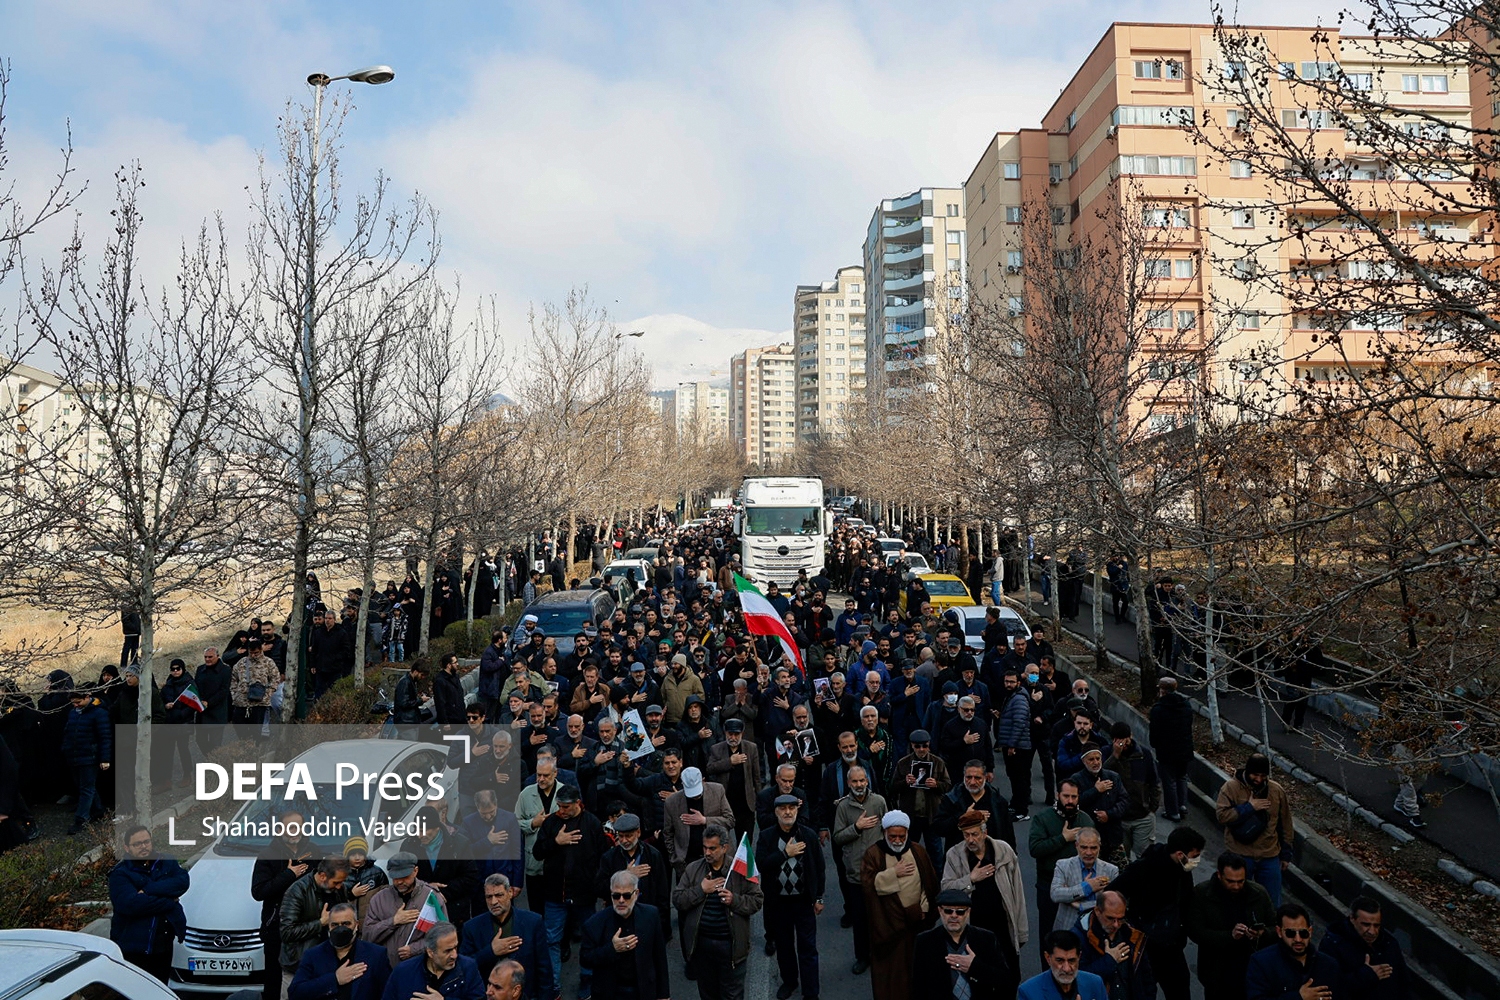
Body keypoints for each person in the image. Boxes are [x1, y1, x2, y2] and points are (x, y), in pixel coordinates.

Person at [1109, 826, 1204, 1000]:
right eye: (1194, 856)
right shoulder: (1144, 868)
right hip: (1144, 945)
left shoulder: (1183, 871)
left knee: (1180, 989)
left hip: (1171, 946)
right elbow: (1113, 893)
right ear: (1180, 854)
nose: (1196, 860)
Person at [673, 822, 765, 1000]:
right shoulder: (693, 869)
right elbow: (678, 899)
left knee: (732, 994)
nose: (707, 852)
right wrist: (701, 890)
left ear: (725, 848)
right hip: (702, 947)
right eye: (705, 847)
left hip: (730, 947)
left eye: (712, 848)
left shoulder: (739, 869)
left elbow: (757, 900)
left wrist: (734, 900)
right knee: (708, 994)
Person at [532, 784, 606, 996]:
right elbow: (537, 852)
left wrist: (600, 888)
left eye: (565, 807)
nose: (561, 811)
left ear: (577, 803)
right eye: (559, 806)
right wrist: (556, 842)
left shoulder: (592, 823)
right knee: (551, 940)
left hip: (584, 895)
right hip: (555, 894)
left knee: (589, 939)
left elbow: (603, 857)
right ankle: (553, 985)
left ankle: (587, 981)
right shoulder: (551, 823)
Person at [859, 810, 939, 1000]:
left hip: (917, 922)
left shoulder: (918, 851)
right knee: (892, 977)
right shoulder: (873, 854)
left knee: (918, 972)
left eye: (901, 836)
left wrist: (924, 908)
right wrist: (893, 873)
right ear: (885, 833)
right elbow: (868, 885)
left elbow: (929, 884)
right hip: (888, 927)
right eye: (892, 836)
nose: (897, 841)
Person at [939, 808, 1027, 980]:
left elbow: (1018, 893)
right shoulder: (954, 855)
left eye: (974, 834)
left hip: (1002, 929)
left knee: (1009, 978)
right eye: (966, 835)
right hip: (973, 930)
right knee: (977, 979)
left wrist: (1021, 932)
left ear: (984, 832)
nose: (970, 840)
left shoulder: (1004, 851)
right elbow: (946, 890)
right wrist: (970, 879)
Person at [755, 793, 824, 1000]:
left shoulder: (808, 835)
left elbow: (819, 868)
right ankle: (790, 981)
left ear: (797, 810)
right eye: (783, 809)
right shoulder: (766, 836)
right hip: (779, 903)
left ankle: (811, 992)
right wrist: (785, 853)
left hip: (803, 901)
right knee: (784, 946)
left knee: (808, 948)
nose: (787, 812)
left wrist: (819, 898)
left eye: (792, 808)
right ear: (776, 812)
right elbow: (761, 865)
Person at [1187, 853, 1276, 1000]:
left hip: (1250, 971)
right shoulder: (1202, 894)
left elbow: (1276, 928)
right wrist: (1230, 936)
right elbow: (1195, 932)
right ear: (1219, 875)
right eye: (1230, 881)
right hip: (1217, 972)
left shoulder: (1258, 894)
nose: (1236, 886)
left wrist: (1262, 933)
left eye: (1241, 881)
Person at [108, 825, 189, 982]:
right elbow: (131, 904)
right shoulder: (120, 874)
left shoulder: (166, 862)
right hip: (134, 947)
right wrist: (169, 901)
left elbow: (182, 882)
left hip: (163, 945)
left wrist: (148, 890)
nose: (143, 846)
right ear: (127, 848)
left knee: (161, 987)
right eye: (137, 844)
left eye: (146, 842)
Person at [1215, 754, 1295, 905]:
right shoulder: (1231, 788)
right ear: (1247, 771)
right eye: (1255, 775)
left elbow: (1285, 823)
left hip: (1269, 855)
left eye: (1263, 776)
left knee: (1272, 903)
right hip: (1240, 854)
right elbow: (1222, 816)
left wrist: (1286, 854)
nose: (1259, 779)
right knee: (1236, 901)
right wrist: (1249, 807)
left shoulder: (1276, 790)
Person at [1029, 778, 1096, 953]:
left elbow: (1094, 852)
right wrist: (1063, 838)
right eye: (1066, 796)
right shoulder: (1043, 818)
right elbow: (1035, 849)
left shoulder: (1086, 820)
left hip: (1080, 888)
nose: (1070, 801)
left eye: (1074, 797)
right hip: (1048, 886)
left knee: (1079, 938)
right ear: (1058, 795)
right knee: (1049, 936)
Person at [581, 871, 671, 1000]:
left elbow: (659, 957)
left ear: (636, 894)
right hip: (610, 992)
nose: (621, 900)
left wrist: (663, 995)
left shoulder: (650, 915)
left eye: (627, 896)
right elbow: (585, 959)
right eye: (616, 896)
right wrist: (612, 949)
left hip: (644, 990)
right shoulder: (595, 923)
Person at [831, 764, 886, 975]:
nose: (859, 784)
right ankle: (862, 957)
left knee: (880, 917)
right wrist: (856, 828)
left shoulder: (879, 802)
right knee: (860, 919)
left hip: (878, 872)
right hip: (855, 872)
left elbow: (888, 830)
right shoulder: (843, 807)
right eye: (854, 781)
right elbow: (838, 837)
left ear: (867, 780)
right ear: (848, 783)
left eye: (862, 780)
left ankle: (880, 955)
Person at [911, 888, 1012, 1000]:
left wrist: (974, 967)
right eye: (948, 911)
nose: (954, 916)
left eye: (960, 911)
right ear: (940, 911)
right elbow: (918, 986)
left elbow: (1005, 980)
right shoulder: (925, 941)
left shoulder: (986, 939)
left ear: (968, 912)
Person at [458, 874, 549, 996]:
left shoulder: (533, 923)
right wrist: (490, 951)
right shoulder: (472, 928)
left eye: (499, 895)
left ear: (510, 892)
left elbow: (544, 970)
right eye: (489, 897)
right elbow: (463, 968)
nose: (493, 902)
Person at [288, 902, 392, 1000]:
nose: (340, 929)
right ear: (329, 926)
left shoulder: (376, 955)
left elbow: (388, 994)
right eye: (335, 925)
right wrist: (335, 979)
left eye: (346, 924)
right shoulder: (313, 955)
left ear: (356, 925)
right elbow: (295, 992)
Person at [279, 857, 352, 992]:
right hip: (299, 967)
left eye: (341, 882)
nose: (339, 886)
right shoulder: (297, 891)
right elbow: (286, 932)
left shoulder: (339, 890)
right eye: (336, 882)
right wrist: (320, 923)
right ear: (323, 876)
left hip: (331, 964)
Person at [595, 813, 671, 944]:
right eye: (621, 836)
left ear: (638, 832)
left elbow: (662, 893)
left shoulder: (653, 855)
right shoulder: (609, 858)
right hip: (619, 919)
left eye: (628, 836)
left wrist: (661, 923)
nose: (624, 840)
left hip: (647, 918)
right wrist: (626, 874)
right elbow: (599, 888)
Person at [362, 852, 446, 968]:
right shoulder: (379, 899)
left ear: (415, 871)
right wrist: (393, 922)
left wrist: (414, 949)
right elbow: (367, 936)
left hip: (419, 968)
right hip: (386, 969)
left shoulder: (431, 897)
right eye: (395, 878)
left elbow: (443, 935)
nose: (399, 882)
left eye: (404, 876)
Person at [1318, 897, 1411, 1000]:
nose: (1372, 932)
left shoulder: (1389, 944)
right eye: (1366, 925)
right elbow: (1327, 988)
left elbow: (1404, 984)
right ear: (1352, 918)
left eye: (1376, 926)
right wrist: (1365, 976)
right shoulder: (1333, 945)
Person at [1245, 904, 1343, 1000]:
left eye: (1303, 933)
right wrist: (1298, 997)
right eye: (1290, 933)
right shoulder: (1261, 963)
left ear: (1310, 931)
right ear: (1279, 932)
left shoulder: (1329, 965)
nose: (1298, 939)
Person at [1074, 890, 1155, 1000]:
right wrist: (1109, 961)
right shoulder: (1079, 938)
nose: (1116, 925)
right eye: (1110, 918)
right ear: (1097, 911)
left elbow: (1147, 979)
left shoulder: (1132, 936)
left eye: (1120, 919)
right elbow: (1077, 978)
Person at [663, 766, 736, 881]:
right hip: (687, 861)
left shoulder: (717, 791)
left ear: (703, 780)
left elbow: (730, 821)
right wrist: (675, 858)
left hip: (718, 859)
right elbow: (668, 833)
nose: (695, 797)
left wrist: (705, 820)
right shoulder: (672, 802)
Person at [380, 922, 483, 1000]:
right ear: (430, 952)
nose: (454, 955)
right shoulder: (403, 972)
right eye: (447, 951)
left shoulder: (468, 968)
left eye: (455, 947)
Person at [1102, 723, 1158, 862]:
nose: (1123, 744)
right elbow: (1101, 776)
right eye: (1118, 740)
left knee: (1145, 859)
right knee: (1121, 860)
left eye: (1125, 740)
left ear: (1131, 736)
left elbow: (1154, 782)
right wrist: (1115, 756)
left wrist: (1152, 807)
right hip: (1119, 818)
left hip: (1142, 816)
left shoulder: (1143, 754)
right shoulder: (1106, 752)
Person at [61, 685, 112, 835]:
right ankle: (98, 810)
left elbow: (105, 737)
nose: (76, 705)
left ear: (87, 697)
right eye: (73, 703)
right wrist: (65, 748)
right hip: (74, 755)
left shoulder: (99, 713)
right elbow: (68, 732)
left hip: (90, 756)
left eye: (78, 702)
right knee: (84, 786)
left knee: (86, 788)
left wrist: (105, 758)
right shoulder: (73, 713)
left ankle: (81, 819)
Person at [893, 730, 951, 860]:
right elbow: (893, 788)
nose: (921, 749)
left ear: (929, 745)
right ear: (912, 746)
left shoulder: (938, 762)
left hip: (931, 815)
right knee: (909, 851)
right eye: (917, 746)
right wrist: (905, 782)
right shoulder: (903, 763)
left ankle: (937, 873)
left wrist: (936, 784)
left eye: (924, 746)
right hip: (911, 815)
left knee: (935, 851)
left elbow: (947, 785)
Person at [1050, 828, 1118, 932]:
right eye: (1084, 847)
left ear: (1099, 846)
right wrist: (1086, 887)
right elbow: (1056, 894)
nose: (1089, 852)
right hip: (1069, 928)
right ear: (1076, 845)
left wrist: (1081, 905)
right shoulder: (1063, 866)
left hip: (1100, 929)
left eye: (1093, 848)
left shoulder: (1111, 870)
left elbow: (1113, 904)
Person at [705, 718, 760, 840]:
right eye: (730, 734)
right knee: (721, 840)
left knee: (745, 841)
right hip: (725, 803)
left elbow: (756, 776)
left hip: (745, 804)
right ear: (725, 733)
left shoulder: (751, 748)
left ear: (742, 733)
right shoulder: (716, 749)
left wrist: (758, 799)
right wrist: (730, 762)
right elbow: (709, 768)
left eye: (736, 734)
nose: (733, 737)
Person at [1148, 678, 1193, 822]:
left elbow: (1155, 732)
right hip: (1184, 749)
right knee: (1182, 777)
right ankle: (1182, 805)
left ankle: (1173, 812)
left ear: (1162, 691)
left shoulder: (1158, 709)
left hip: (1166, 751)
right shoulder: (1186, 705)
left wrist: (1155, 744)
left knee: (1169, 781)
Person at [1018, 930, 1109, 1000]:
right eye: (1060, 961)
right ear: (1048, 958)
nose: (1066, 969)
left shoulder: (1095, 984)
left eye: (1072, 961)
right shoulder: (1029, 992)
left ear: (1079, 957)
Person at [995, 672, 1035, 821]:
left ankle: (1021, 811)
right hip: (1014, 745)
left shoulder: (1019, 699)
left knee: (1020, 779)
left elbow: (1019, 723)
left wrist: (1012, 745)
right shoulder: (1012, 697)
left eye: (1012, 682)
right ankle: (1016, 804)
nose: (1008, 684)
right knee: (1014, 777)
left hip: (1018, 747)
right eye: (1006, 681)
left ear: (1018, 683)